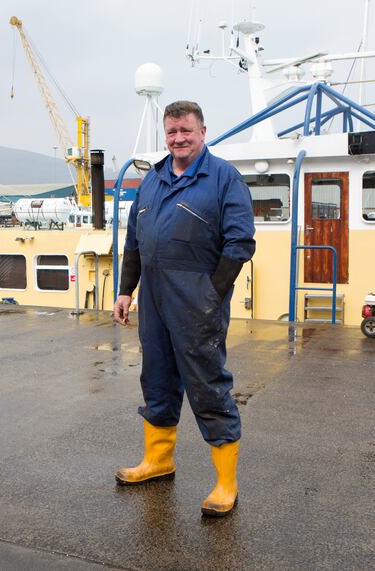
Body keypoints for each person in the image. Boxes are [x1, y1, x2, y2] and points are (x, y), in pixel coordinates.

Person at [113, 101, 255, 517]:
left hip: (196, 299)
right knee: (156, 377)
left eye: (186, 131)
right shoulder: (153, 179)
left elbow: (240, 243)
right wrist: (126, 291)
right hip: (154, 299)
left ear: (203, 131)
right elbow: (135, 242)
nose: (178, 139)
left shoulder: (224, 178)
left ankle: (226, 482)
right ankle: (158, 460)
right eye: (172, 132)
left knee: (208, 385)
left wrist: (211, 295)